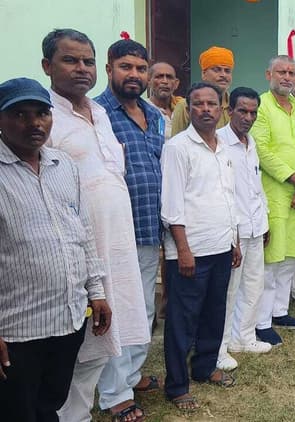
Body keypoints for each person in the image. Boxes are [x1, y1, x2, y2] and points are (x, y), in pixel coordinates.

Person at [40, 28, 150, 422]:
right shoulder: (43, 116)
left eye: (87, 61)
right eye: (70, 60)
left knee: (104, 340)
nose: (81, 68)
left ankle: (80, 414)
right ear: (47, 66)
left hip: (117, 246)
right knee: (76, 344)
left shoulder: (100, 114)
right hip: (77, 251)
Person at [0, 77, 111, 422]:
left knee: (50, 405)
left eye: (42, 113)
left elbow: (83, 233)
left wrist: (96, 292)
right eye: (20, 114)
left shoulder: (64, 166)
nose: (34, 123)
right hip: (17, 329)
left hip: (68, 319)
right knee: (17, 411)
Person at [92, 38, 166, 418]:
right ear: (109, 69)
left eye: (140, 68)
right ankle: (114, 393)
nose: (134, 74)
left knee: (143, 309)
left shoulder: (154, 115)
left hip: (149, 229)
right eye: (126, 67)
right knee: (118, 314)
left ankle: (132, 375)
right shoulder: (97, 114)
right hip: (115, 234)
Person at [161, 82, 241, 411]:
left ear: (221, 108)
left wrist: (234, 241)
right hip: (190, 252)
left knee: (213, 312)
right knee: (182, 320)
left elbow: (228, 197)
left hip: (221, 246)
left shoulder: (224, 148)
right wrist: (182, 250)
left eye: (212, 103)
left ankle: (205, 367)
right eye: (198, 104)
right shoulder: (178, 148)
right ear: (188, 109)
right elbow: (171, 205)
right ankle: (177, 386)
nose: (206, 109)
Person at [250, 55, 295, 346]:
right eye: (282, 72)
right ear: (269, 74)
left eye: (292, 73)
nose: (288, 77)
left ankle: (280, 312)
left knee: (291, 257)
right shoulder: (261, 106)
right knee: (271, 260)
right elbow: (262, 151)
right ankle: (262, 321)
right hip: (275, 195)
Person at [216, 87, 272, 372]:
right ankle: (219, 348)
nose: (248, 117)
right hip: (232, 232)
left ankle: (244, 338)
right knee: (228, 291)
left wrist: (265, 220)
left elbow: (256, 187)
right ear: (230, 111)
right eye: (242, 111)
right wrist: (232, 235)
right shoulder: (219, 143)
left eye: (253, 112)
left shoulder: (251, 143)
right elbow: (221, 193)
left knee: (253, 285)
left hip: (255, 226)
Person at [171, 46, 234, 135]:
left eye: (227, 71)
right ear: (203, 74)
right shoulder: (185, 106)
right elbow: (176, 140)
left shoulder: (235, 106)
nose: (223, 75)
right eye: (217, 70)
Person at [147, 61, 182, 139]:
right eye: (159, 77)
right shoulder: (143, 109)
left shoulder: (183, 109)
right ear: (149, 81)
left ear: (176, 83)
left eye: (169, 77)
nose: (165, 81)